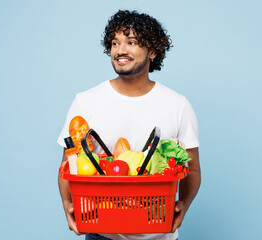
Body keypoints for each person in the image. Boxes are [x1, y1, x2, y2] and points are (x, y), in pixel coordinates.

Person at [57, 10, 201, 240]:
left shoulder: (178, 105)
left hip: (159, 234)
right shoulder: (85, 102)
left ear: (152, 51)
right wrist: (67, 204)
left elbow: (192, 169)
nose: (120, 50)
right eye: (115, 43)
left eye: (131, 42)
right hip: (101, 233)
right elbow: (68, 164)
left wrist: (183, 203)